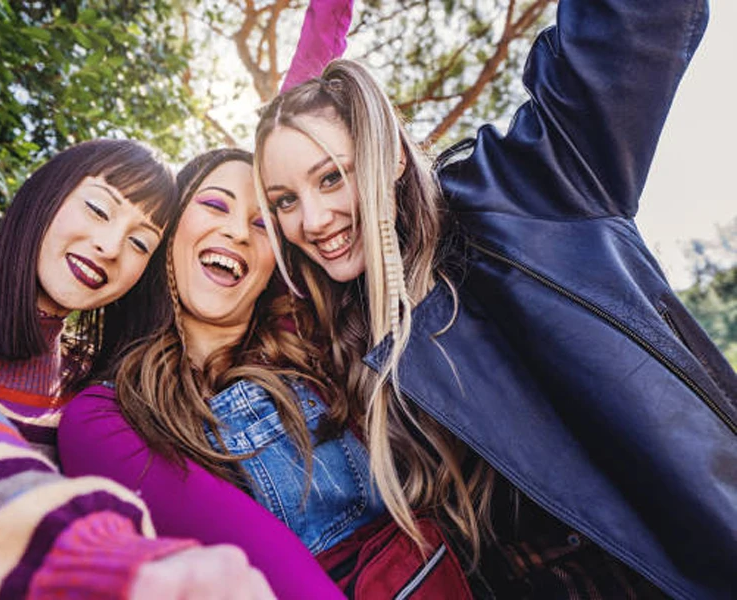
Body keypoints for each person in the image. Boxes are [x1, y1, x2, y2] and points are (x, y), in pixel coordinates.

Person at [253, 0, 737, 598]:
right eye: (284, 200)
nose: (314, 219)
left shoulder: (530, 192)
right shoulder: (338, 331)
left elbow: (633, 25)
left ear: (393, 157)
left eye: (332, 177)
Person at [0, 139, 274, 599]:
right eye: (99, 210)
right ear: (45, 193)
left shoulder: (95, 403)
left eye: (140, 242)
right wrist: (83, 561)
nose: (108, 247)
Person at [60, 148, 373, 599]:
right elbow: (261, 565)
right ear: (168, 234)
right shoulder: (105, 418)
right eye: (215, 205)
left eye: (262, 224)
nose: (236, 231)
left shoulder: (324, 349)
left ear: (274, 268)